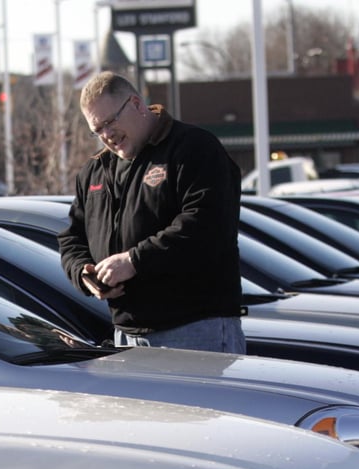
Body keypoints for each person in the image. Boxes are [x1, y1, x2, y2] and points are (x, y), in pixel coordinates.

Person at [58, 71, 246, 353]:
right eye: (97, 130)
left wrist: (134, 260)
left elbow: (207, 225)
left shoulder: (192, 149)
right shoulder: (95, 170)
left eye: (110, 122)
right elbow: (72, 237)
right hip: (126, 335)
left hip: (193, 329)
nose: (107, 135)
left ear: (136, 103)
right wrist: (84, 275)